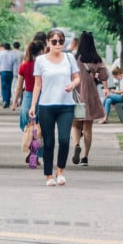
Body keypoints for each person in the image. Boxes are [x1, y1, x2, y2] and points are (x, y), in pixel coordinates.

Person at [29, 29, 81, 187]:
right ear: (47, 43)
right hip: (46, 105)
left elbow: (77, 77)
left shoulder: (69, 58)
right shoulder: (41, 61)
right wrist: (33, 106)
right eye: (54, 41)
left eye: (61, 41)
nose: (58, 44)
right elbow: (37, 84)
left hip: (66, 105)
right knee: (49, 141)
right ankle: (48, 175)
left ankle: (60, 171)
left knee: (64, 140)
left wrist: (73, 84)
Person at [71, 31, 109, 167]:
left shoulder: (74, 58)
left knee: (76, 124)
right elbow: (105, 76)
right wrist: (96, 73)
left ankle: (76, 144)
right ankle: (85, 157)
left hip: (77, 95)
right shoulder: (97, 59)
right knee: (87, 126)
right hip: (90, 95)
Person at [12, 40, 45, 131]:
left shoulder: (24, 66)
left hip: (28, 95)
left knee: (26, 118)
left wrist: (15, 102)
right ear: (42, 51)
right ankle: (39, 140)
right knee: (42, 121)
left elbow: (19, 86)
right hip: (44, 95)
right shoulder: (45, 66)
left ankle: (29, 137)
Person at [0, 43, 18, 108]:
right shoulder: (13, 54)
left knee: (3, 86)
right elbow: (15, 65)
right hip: (10, 72)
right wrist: (15, 73)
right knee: (9, 86)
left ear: (4, 47)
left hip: (3, 71)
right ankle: (7, 101)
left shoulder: (1, 53)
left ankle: (4, 100)